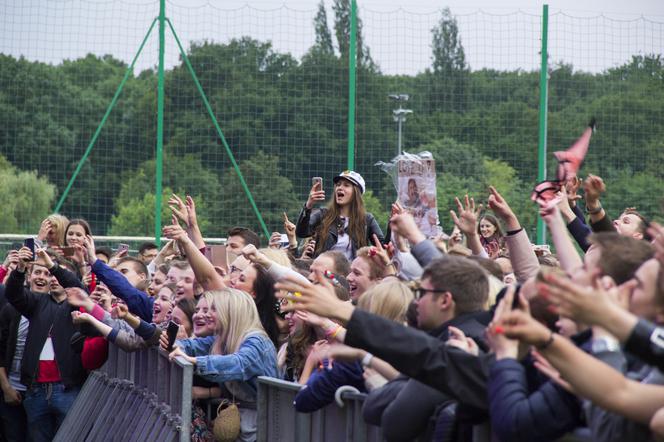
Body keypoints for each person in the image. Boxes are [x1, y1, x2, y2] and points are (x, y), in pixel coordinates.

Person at [167, 288, 278, 442]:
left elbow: (239, 363)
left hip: (265, 425)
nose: (206, 314)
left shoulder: (257, 341)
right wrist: (176, 346)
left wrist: (195, 361)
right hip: (244, 422)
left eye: (214, 309)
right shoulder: (221, 339)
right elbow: (191, 345)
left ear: (232, 312)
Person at [5, 247, 87, 442]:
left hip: (67, 389)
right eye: (52, 274)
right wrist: (20, 270)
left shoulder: (80, 306)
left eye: (58, 273)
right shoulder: (38, 301)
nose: (54, 277)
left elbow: (79, 287)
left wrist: (53, 265)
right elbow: (13, 294)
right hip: (36, 391)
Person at [296, 170, 384, 260]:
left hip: (352, 272)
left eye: (346, 185)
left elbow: (384, 245)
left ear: (356, 193)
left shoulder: (367, 219)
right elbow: (301, 232)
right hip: (323, 271)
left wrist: (393, 224)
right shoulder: (323, 214)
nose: (340, 188)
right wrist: (308, 205)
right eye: (338, 185)